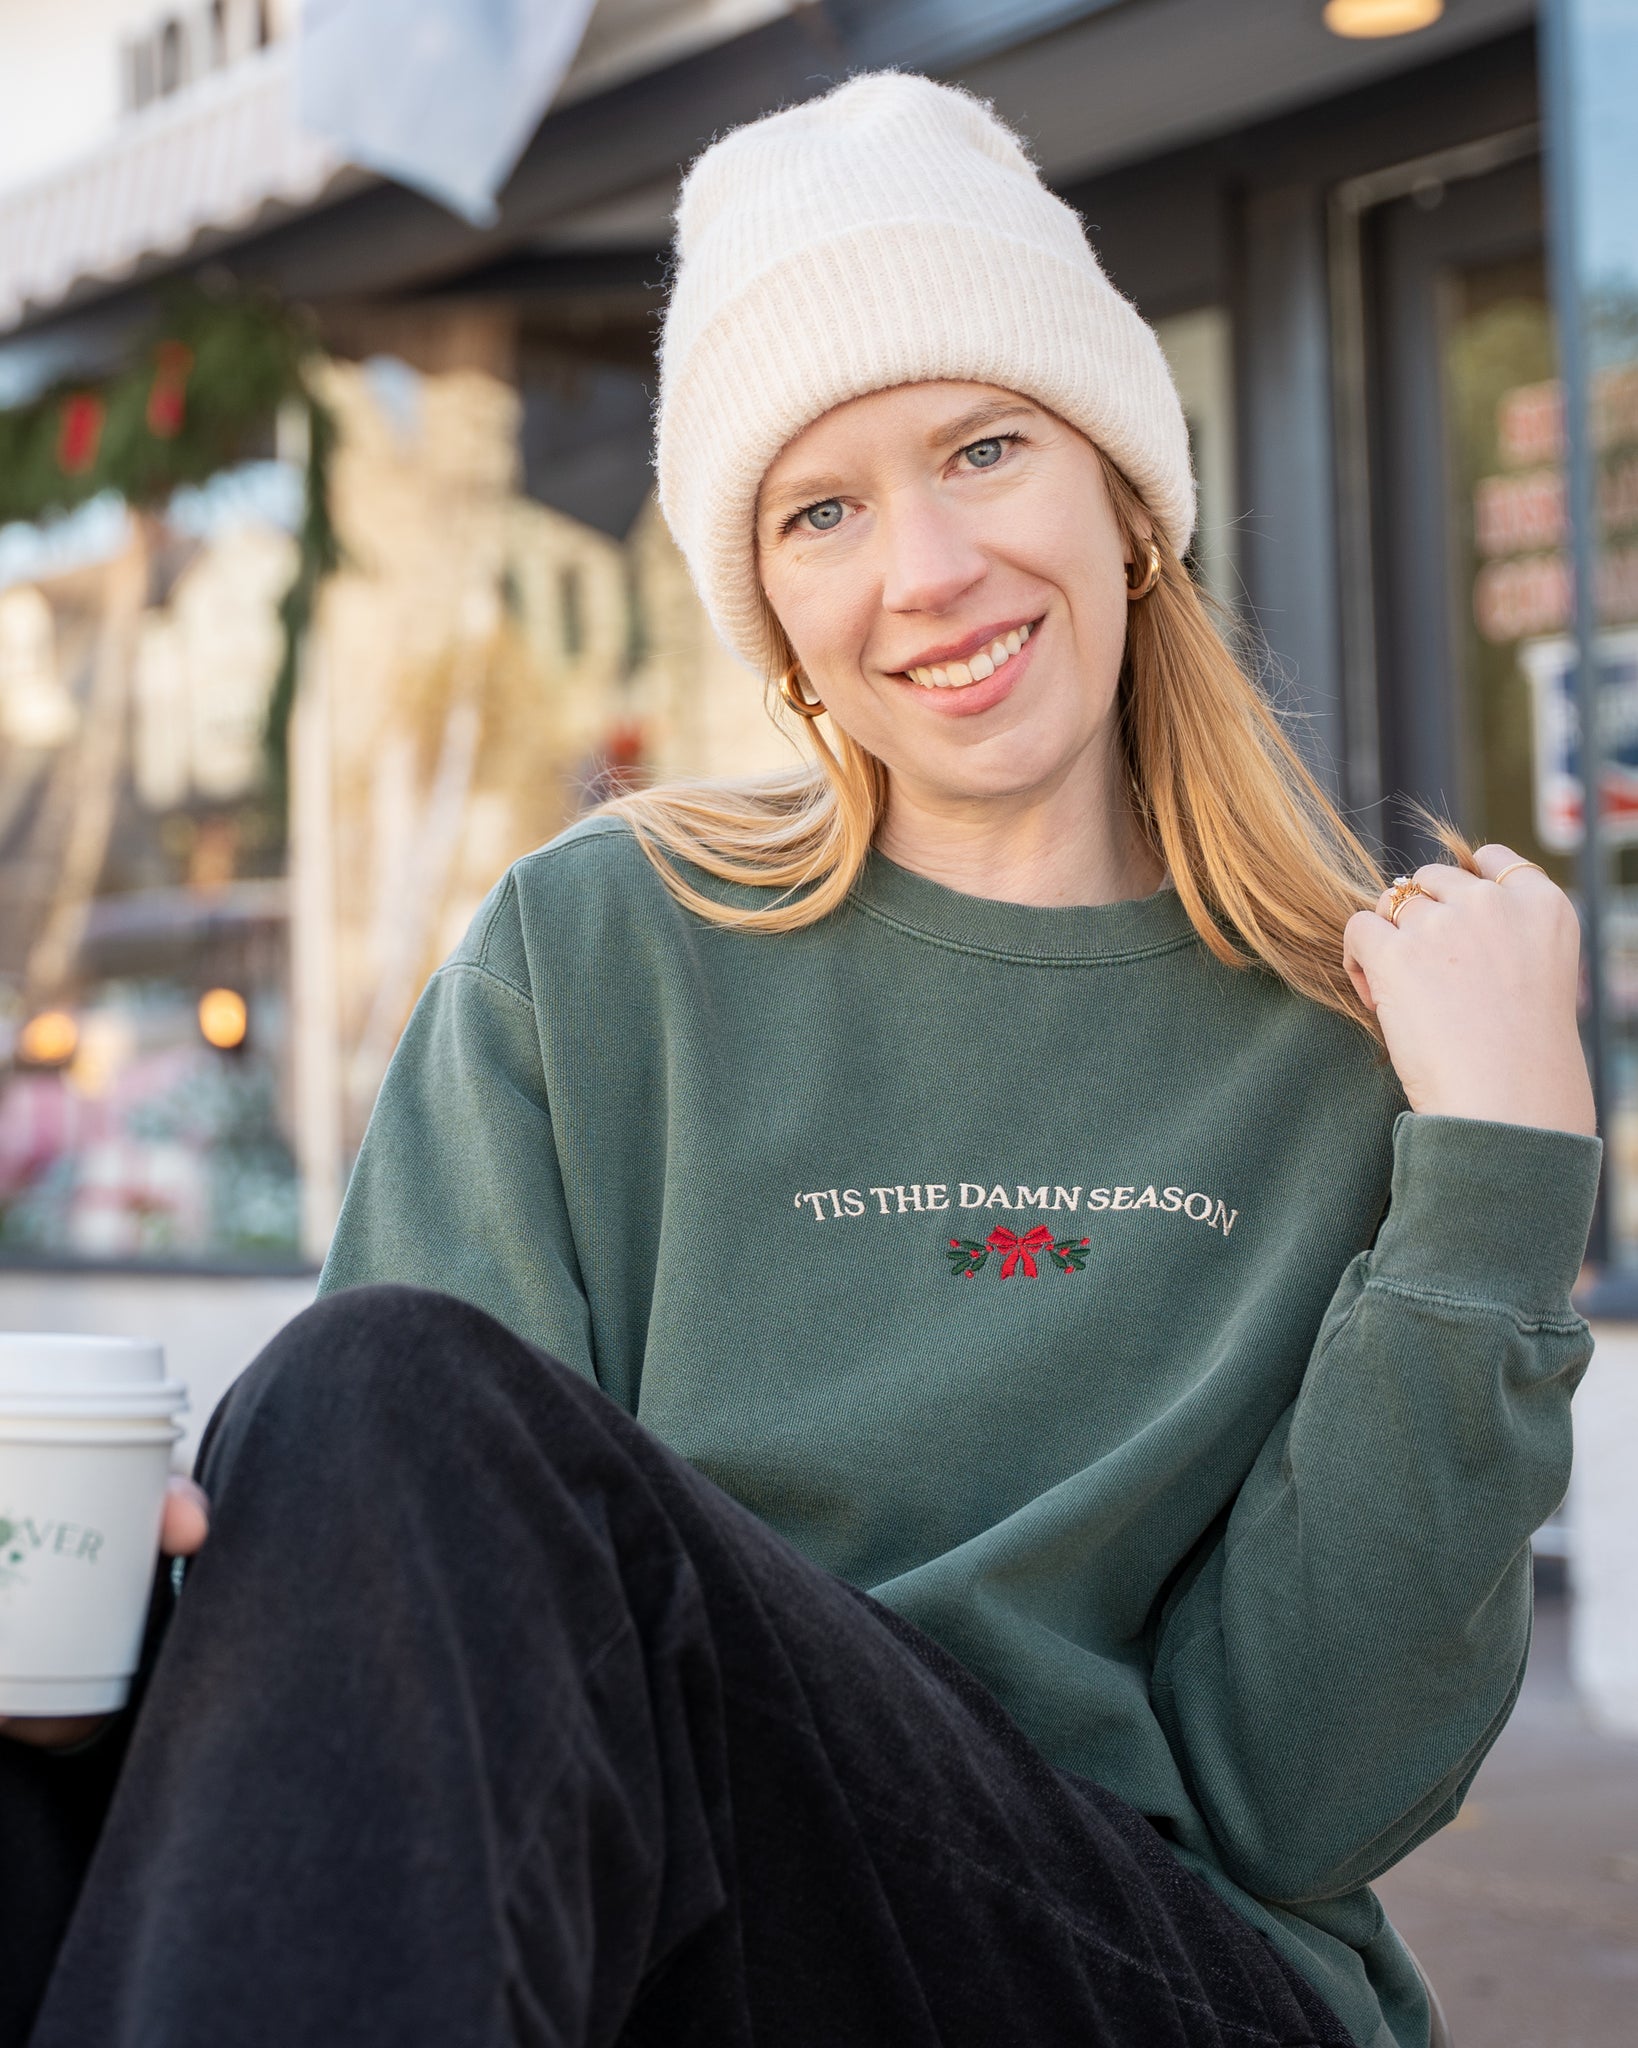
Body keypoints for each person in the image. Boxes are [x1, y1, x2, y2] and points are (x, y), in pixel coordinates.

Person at [0, 72, 1599, 2048]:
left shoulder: (1369, 1033)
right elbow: (391, 1639)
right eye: (821, 511)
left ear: (1124, 492)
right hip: (679, 1924)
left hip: (1139, 1967)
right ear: (769, 609)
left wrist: (1497, 1167)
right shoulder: (599, 952)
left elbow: (1307, 1793)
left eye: (984, 447)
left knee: (381, 1391)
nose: (922, 568)